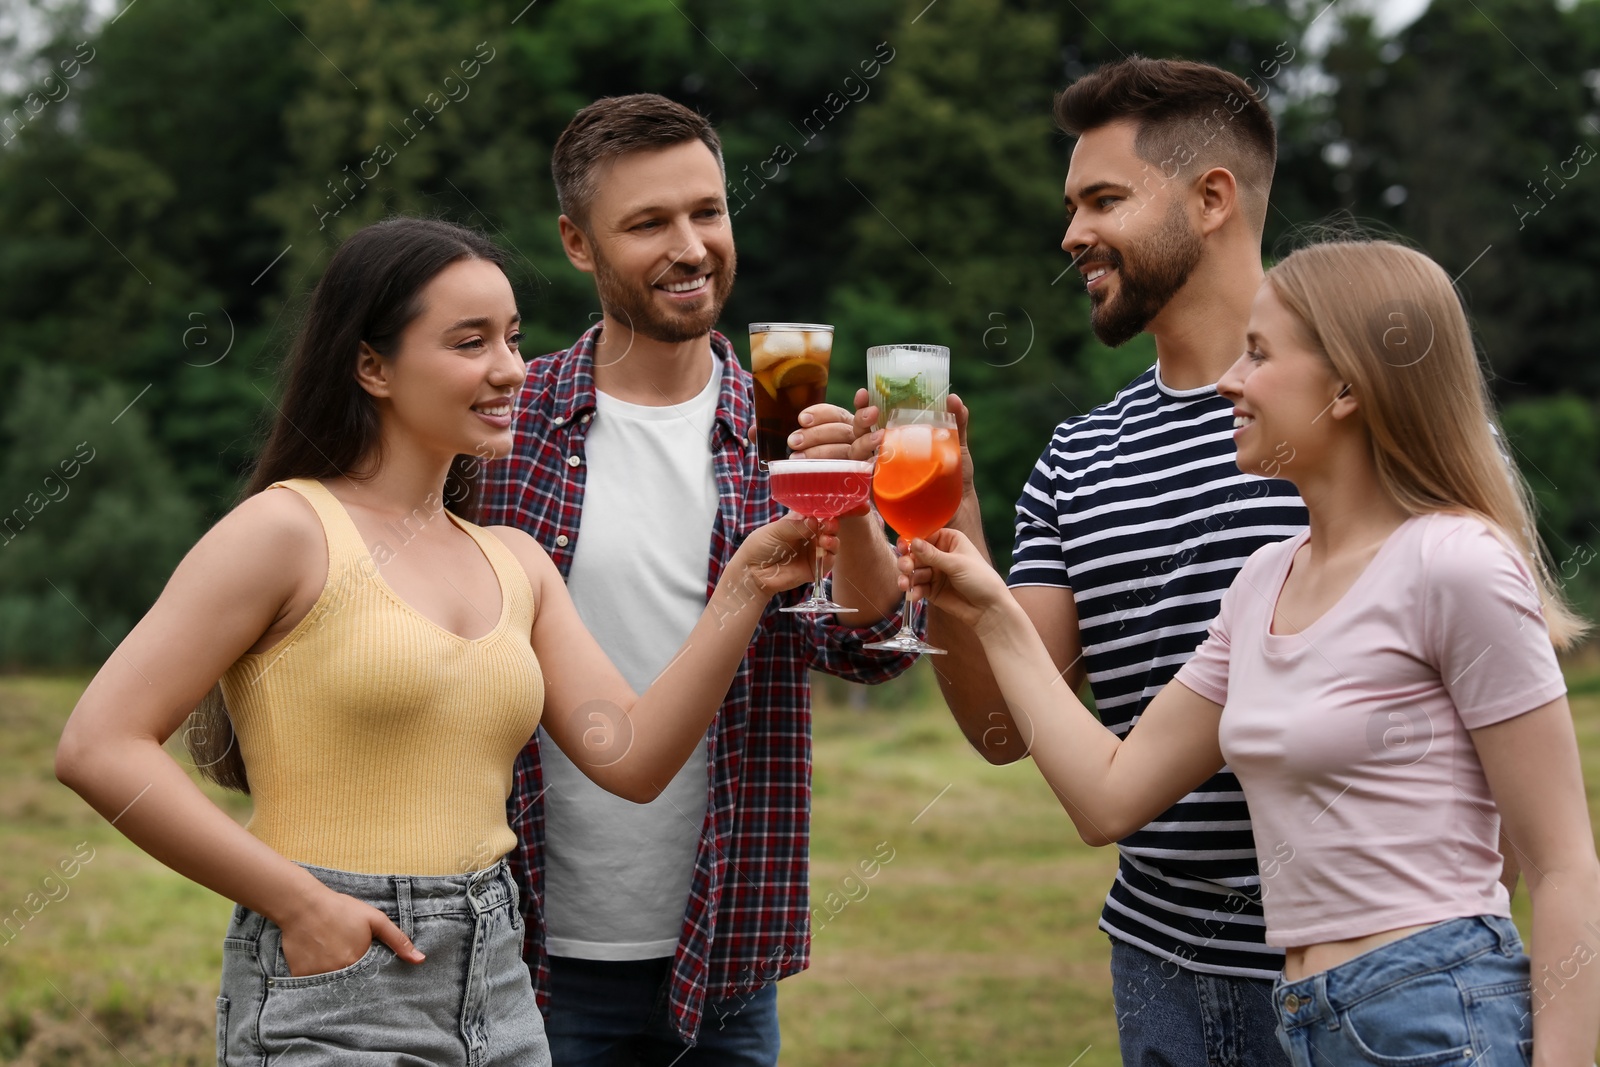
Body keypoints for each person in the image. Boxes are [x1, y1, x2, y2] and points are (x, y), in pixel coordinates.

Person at [52, 217, 829, 1065]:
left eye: (512, 337)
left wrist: (745, 588)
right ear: (371, 365)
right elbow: (100, 744)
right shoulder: (285, 530)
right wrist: (302, 904)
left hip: (501, 974)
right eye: (470, 342)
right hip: (337, 978)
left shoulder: (514, 561)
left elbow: (633, 758)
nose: (510, 369)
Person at [900, 238, 1600, 1065]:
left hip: (1432, 1013)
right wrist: (991, 609)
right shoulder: (1265, 581)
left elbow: (1562, 866)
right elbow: (1109, 796)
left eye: (1259, 355)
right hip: (1307, 1020)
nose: (1230, 380)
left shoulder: (1455, 563)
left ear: (1347, 386)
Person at [800, 56, 1309, 1062]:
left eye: (1102, 199)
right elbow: (1000, 724)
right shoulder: (1080, 454)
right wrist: (949, 512)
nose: (1070, 233)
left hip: (1342, 965)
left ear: (1211, 199)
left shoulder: (1351, 409)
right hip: (1159, 968)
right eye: (1071, 203)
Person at [479, 94, 913, 1066]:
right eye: (647, 223)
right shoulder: (505, 429)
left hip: (722, 958)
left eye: (707, 212)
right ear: (577, 243)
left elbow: (872, 647)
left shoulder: (784, 418)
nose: (690, 246)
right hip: (524, 948)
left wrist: (854, 507)